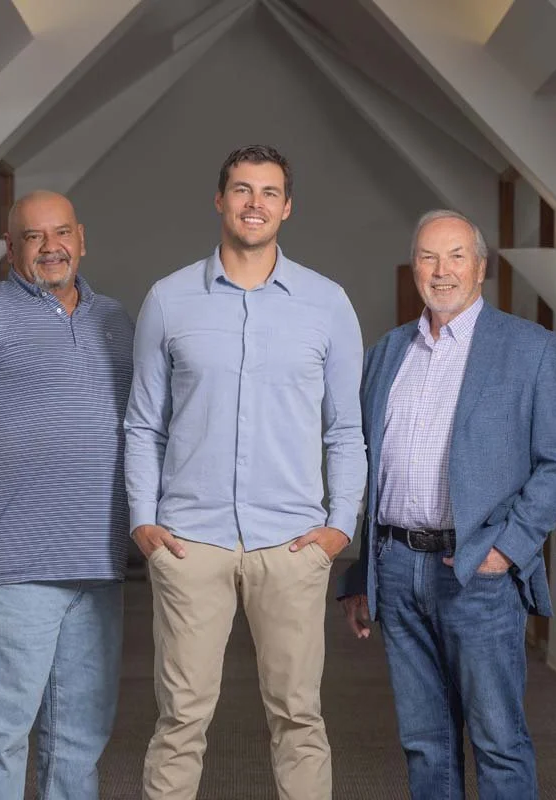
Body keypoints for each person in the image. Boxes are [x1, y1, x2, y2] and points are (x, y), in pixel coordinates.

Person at [125, 144, 366, 799]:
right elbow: (143, 424)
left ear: (287, 208)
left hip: (291, 544)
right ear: (219, 200)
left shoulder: (327, 304)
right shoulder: (169, 300)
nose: (254, 203)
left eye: (268, 192)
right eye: (241, 189)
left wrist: (339, 528)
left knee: (299, 718)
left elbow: (346, 429)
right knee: (180, 721)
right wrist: (144, 522)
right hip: (189, 541)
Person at [339, 210, 556, 799]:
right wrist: (363, 573)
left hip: (478, 571)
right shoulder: (387, 352)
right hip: (397, 568)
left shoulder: (530, 348)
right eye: (428, 257)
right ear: (414, 267)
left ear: (480, 267)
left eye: (455, 256)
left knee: (498, 740)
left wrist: (507, 550)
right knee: (425, 741)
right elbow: (371, 469)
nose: (441, 270)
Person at [0, 191, 134, 799]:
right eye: (34, 237)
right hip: (11, 566)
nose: (50, 247)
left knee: (80, 740)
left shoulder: (115, 320)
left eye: (60, 232)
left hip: (98, 565)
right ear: (10, 248)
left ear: (81, 238)